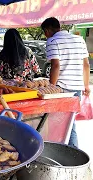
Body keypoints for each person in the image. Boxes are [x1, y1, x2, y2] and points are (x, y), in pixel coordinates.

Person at [41, 17, 90, 148]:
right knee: (70, 122)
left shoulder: (53, 40)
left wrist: (51, 87)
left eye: (45, 33)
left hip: (62, 89)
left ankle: (71, 153)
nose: (45, 36)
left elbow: (55, 66)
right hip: (77, 89)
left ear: (47, 30)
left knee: (61, 124)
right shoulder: (79, 40)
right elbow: (86, 65)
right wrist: (86, 86)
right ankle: (69, 152)